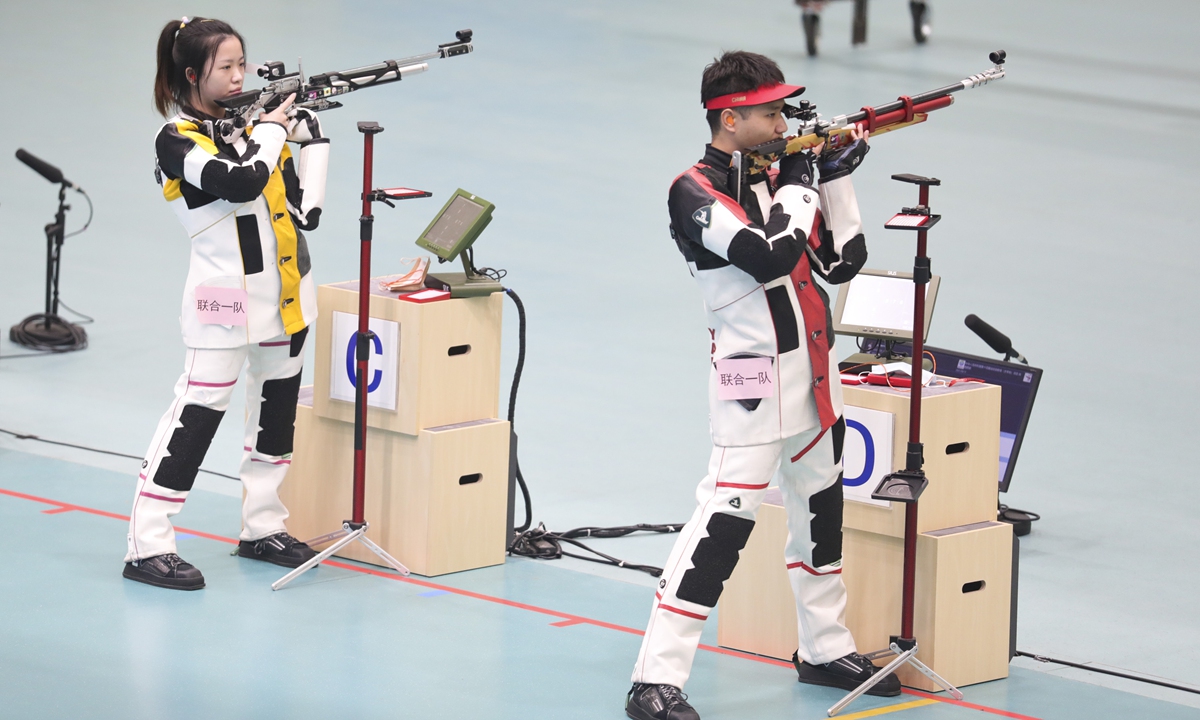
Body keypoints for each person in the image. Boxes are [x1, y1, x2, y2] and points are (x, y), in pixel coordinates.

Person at [625, 51, 898, 720]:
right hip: (752, 387)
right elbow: (771, 256)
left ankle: (824, 648)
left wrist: (834, 181)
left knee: (821, 517)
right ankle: (653, 679)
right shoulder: (691, 191)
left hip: (814, 378)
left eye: (783, 110)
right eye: (770, 112)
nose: (782, 121)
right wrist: (805, 176)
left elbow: (841, 263)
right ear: (729, 119)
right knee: (722, 524)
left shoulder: (775, 177)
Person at [123, 16, 330, 590]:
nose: (240, 76)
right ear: (191, 74)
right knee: (194, 419)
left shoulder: (252, 129)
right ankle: (148, 544)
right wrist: (272, 129)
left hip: (287, 298)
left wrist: (312, 139)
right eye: (226, 68)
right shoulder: (176, 141)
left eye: (243, 63)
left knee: (275, 418)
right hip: (224, 304)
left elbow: (302, 208)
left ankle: (263, 526)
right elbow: (239, 182)